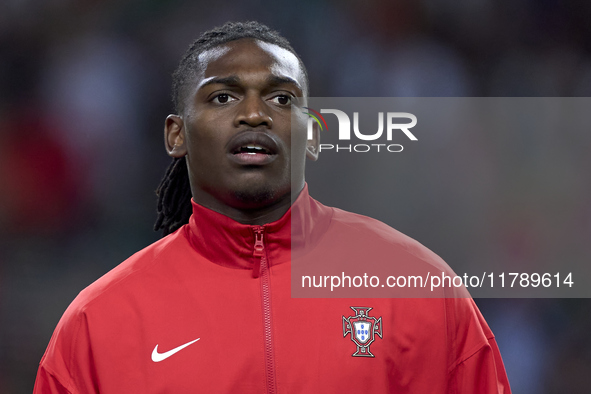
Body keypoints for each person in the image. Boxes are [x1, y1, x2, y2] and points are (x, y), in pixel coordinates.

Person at [34, 21, 511, 393]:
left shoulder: (418, 290)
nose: (254, 114)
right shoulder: (100, 324)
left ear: (314, 135)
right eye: (223, 96)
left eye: (281, 98)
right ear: (176, 135)